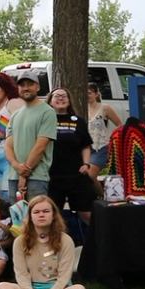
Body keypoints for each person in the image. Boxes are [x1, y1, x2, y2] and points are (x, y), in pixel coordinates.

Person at [0, 195, 89, 289]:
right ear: (30, 216)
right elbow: (21, 273)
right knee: (1, 287)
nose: (41, 215)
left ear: (53, 215)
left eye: (46, 211)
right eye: (36, 212)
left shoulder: (66, 240)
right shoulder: (20, 241)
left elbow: (64, 277)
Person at [46, 87, 97, 222]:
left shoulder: (78, 121)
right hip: (52, 175)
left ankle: (96, 239)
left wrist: (86, 164)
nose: (60, 98)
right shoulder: (44, 120)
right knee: (53, 214)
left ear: (69, 101)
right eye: (57, 96)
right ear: (50, 101)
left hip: (76, 174)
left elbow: (85, 145)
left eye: (64, 96)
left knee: (87, 212)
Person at [4, 72, 57, 200]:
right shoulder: (15, 115)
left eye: (30, 84)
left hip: (36, 177)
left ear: (37, 87)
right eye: (22, 85)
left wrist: (24, 174)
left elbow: (40, 146)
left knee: (38, 218)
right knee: (17, 219)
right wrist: (17, 166)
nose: (26, 88)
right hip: (13, 177)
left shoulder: (48, 112)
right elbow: (8, 146)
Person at [87, 83, 122, 171]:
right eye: (85, 93)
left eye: (89, 93)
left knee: (90, 174)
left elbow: (120, 125)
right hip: (86, 147)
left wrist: (113, 138)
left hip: (101, 147)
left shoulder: (105, 108)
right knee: (85, 177)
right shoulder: (83, 108)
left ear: (96, 94)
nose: (87, 95)